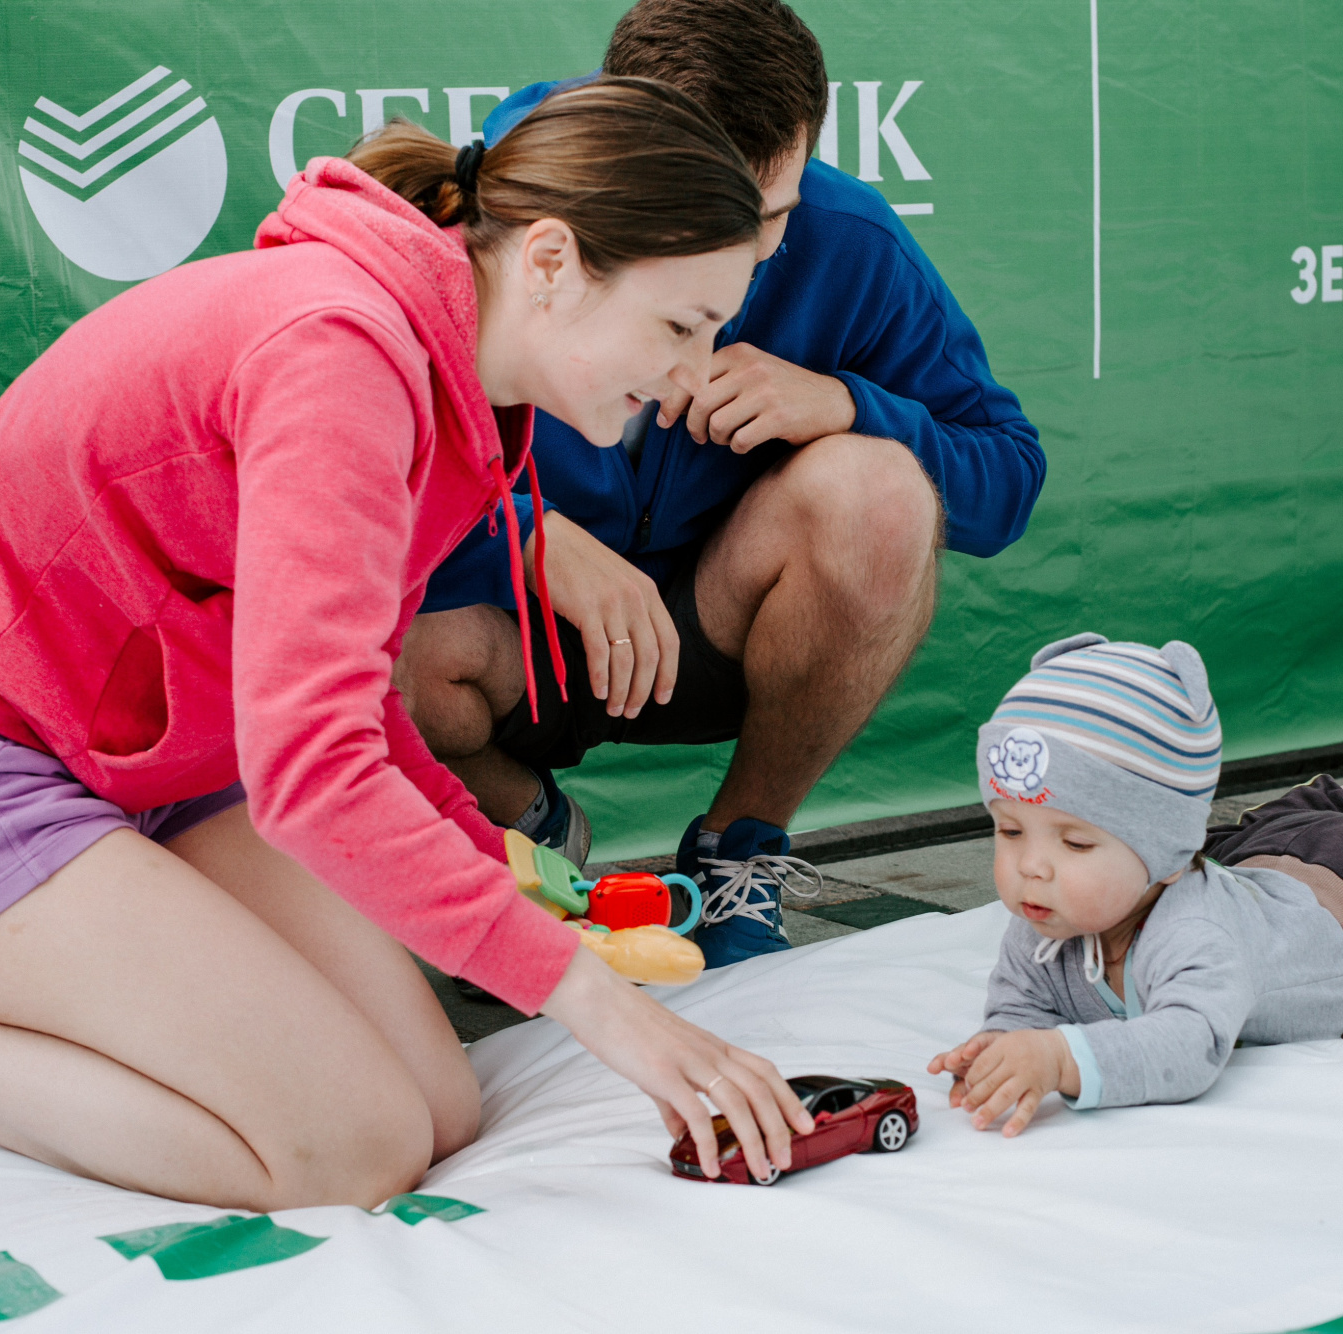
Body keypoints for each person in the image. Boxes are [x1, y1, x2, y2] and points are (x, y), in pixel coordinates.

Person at [0, 79, 813, 1199]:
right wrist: (601, 1005)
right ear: (549, 262)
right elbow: (313, 770)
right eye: (680, 326)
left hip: (171, 756)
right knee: (351, 1148)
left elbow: (342, 704)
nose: (694, 374)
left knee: (439, 1109)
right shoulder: (344, 355)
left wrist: (504, 868)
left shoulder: (459, 383)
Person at [395, 0, 1046, 968]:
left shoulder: (850, 243)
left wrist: (844, 403)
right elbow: (344, 488)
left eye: (768, 220)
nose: (735, 276)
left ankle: (737, 854)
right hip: (513, 640)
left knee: (880, 492)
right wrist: (523, 530)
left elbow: (1007, 475)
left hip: (711, 627)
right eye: (702, 224)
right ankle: (530, 837)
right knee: (370, 643)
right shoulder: (492, 210)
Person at [929, 635, 1343, 1135]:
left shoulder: (1194, 934)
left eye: (1074, 841)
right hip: (1259, 857)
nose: (1030, 867)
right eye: (1010, 831)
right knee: (1229, 839)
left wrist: (1057, 1058)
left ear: (1161, 856)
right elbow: (1023, 1005)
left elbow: (1188, 1046)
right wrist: (1005, 1045)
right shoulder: (1044, 921)